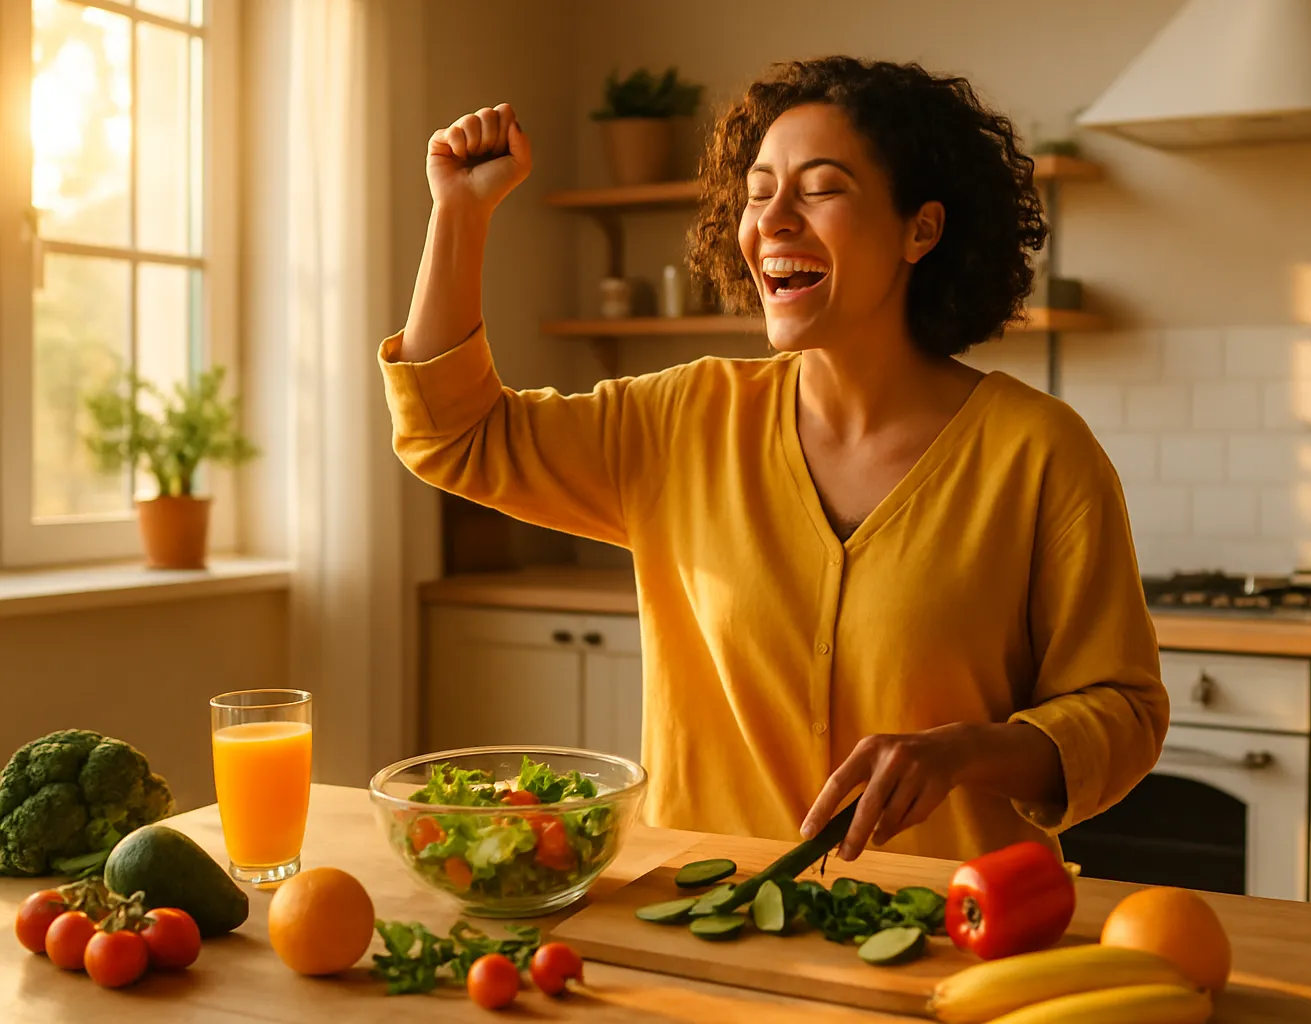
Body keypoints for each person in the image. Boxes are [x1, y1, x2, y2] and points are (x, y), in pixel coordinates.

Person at [379, 56, 1167, 864]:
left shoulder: (1038, 452)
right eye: (757, 193)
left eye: (820, 188)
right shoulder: (681, 421)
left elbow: (1123, 711)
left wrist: (965, 752)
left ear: (919, 230)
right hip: (705, 921)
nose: (774, 220)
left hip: (950, 931)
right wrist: (460, 215)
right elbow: (456, 436)